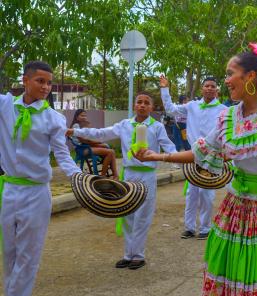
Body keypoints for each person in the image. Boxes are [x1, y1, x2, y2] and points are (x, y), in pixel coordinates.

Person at [134, 42, 257, 296]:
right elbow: (201, 151)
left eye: (230, 73)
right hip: (237, 208)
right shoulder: (228, 117)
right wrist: (157, 155)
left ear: (250, 77)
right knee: (233, 272)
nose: (226, 81)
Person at [66, 91, 177, 270]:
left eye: (146, 102)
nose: (142, 105)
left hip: (147, 175)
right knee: (127, 214)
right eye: (139, 102)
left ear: (152, 107)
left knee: (143, 216)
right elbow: (100, 133)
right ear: (134, 105)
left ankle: (138, 255)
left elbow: (169, 146)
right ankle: (128, 254)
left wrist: (180, 159)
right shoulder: (124, 125)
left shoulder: (156, 127)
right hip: (129, 176)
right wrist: (75, 131)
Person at [0, 60, 81, 296]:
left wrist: (78, 177)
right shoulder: (5, 105)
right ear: (25, 81)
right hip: (8, 189)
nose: (46, 87)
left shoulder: (53, 118)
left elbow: (62, 153)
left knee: (28, 255)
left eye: (49, 83)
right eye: (40, 81)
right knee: (9, 253)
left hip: (36, 194)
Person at [160, 75, 226, 240]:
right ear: (202, 89)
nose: (209, 88)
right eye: (207, 86)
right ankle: (189, 227)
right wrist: (165, 89)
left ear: (217, 90)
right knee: (192, 193)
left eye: (212, 86)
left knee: (206, 193)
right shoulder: (192, 106)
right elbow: (170, 109)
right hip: (192, 154)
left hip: (211, 156)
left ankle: (205, 227)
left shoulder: (223, 110)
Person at [70, 109, 118, 179]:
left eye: (85, 116)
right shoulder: (76, 125)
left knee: (108, 149)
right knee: (110, 152)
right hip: (82, 149)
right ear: (77, 117)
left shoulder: (82, 125)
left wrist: (99, 143)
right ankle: (103, 176)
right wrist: (98, 143)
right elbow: (84, 140)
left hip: (86, 147)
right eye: (82, 115)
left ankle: (115, 174)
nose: (84, 117)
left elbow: (89, 137)